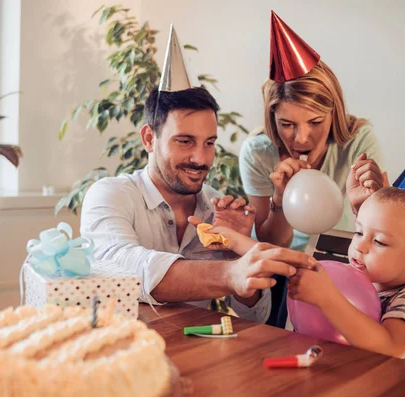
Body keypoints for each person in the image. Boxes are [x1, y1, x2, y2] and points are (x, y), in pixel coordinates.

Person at [204, 118, 405, 361]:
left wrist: (327, 297)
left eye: (380, 242)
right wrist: (232, 240)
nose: (360, 247)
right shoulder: (341, 275)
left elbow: (387, 347)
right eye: (359, 232)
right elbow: (282, 259)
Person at [80, 85, 316, 323]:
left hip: (196, 352)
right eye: (184, 141)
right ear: (149, 139)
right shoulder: (109, 195)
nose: (201, 159)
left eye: (209, 143)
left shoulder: (216, 208)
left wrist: (233, 255)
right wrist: (230, 273)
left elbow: (256, 317)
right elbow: (123, 271)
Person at [239, 12, 387, 326]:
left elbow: (383, 234)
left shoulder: (359, 142)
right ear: (272, 119)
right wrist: (280, 197)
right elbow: (271, 244)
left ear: (334, 113)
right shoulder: (257, 151)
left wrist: (372, 203)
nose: (301, 138)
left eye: (315, 122)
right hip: (284, 269)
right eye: (286, 125)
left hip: (346, 268)